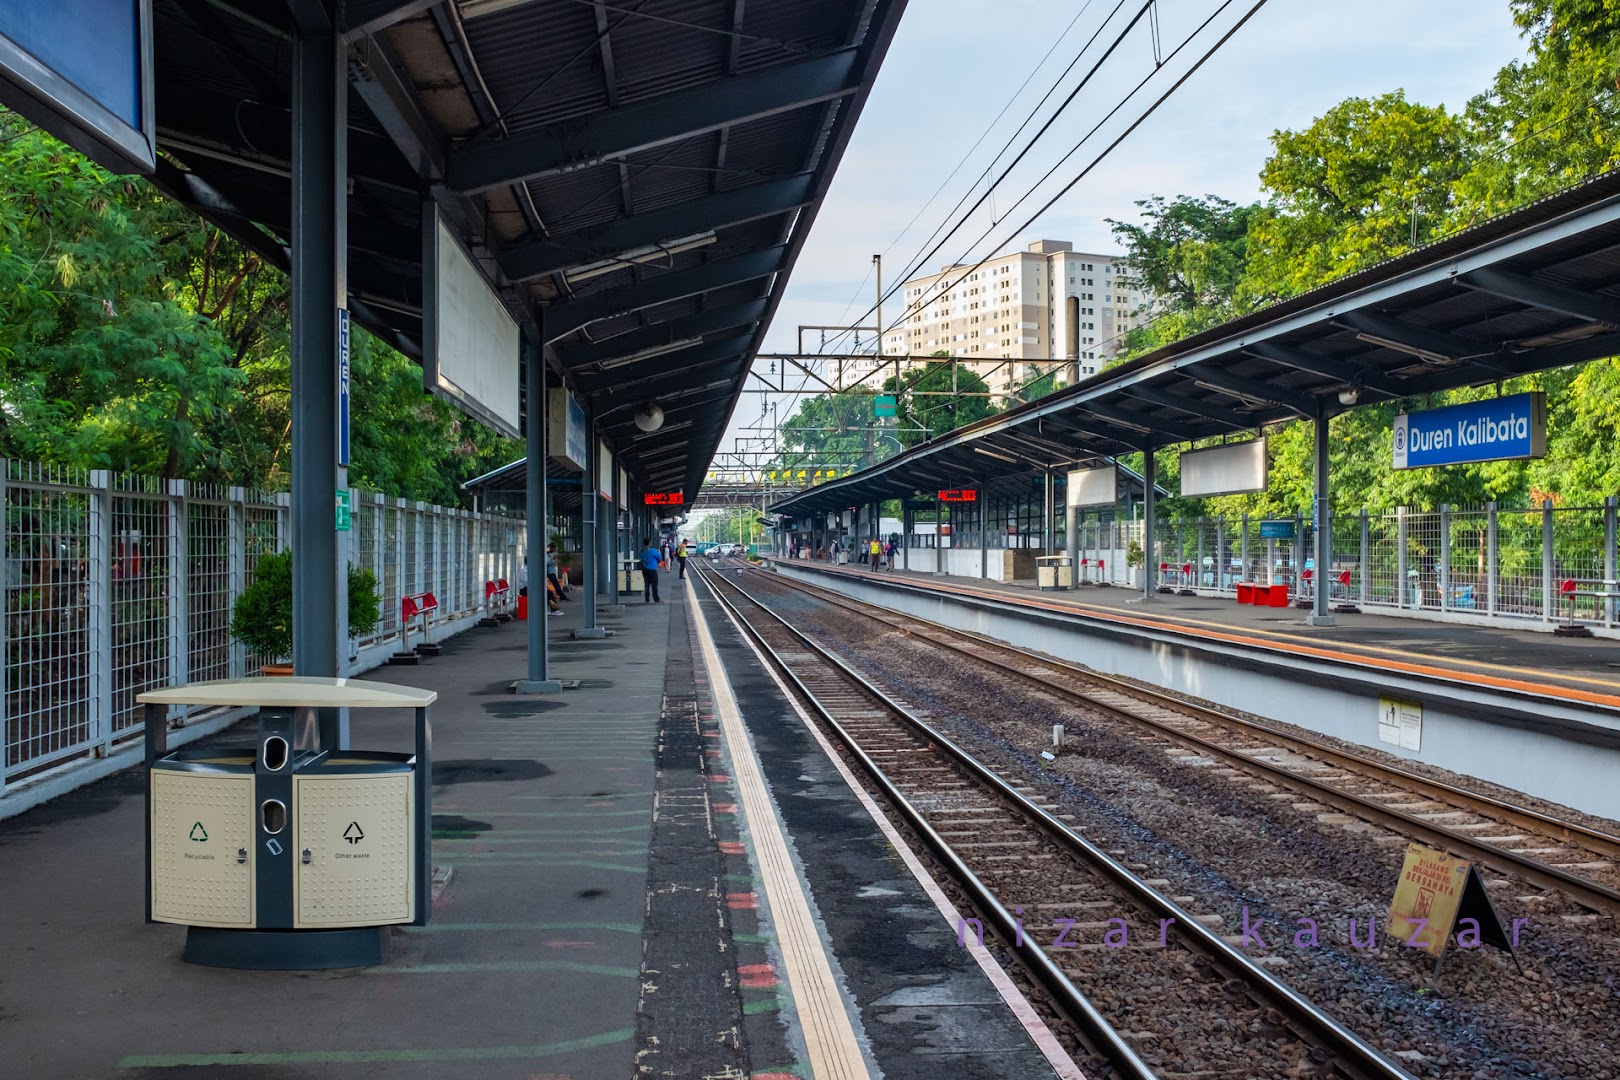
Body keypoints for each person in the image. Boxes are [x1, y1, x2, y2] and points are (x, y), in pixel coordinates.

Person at [640, 538, 662, 604]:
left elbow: (641, 558)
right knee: (654, 585)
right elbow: (660, 558)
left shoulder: (642, 551)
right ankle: (656, 599)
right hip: (652, 569)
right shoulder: (653, 551)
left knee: (646, 584)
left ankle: (647, 599)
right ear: (649, 543)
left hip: (645, 570)